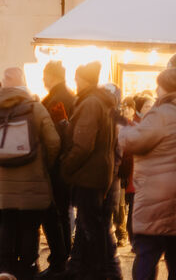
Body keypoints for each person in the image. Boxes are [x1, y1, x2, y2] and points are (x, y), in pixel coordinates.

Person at [0, 68, 60, 280]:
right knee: (30, 224)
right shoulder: (35, 108)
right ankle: (27, 266)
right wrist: (46, 164)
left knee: (8, 222)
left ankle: (6, 267)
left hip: (5, 181)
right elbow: (53, 141)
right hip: (33, 177)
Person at [60, 62, 122, 280]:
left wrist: (66, 166)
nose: (75, 83)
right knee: (92, 225)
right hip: (98, 173)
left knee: (91, 227)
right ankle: (85, 269)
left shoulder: (91, 103)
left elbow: (84, 144)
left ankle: (98, 272)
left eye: (76, 79)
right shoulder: (101, 103)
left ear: (83, 80)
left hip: (89, 175)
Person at [119, 68, 176, 280]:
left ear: (164, 87)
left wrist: (122, 131)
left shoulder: (161, 114)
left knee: (147, 253)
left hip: (157, 196)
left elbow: (135, 141)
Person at [40, 60, 75, 276]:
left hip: (56, 166)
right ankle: (62, 260)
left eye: (44, 76)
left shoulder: (57, 99)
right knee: (61, 214)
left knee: (55, 215)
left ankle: (59, 263)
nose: (43, 80)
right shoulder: (68, 96)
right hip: (64, 165)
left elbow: (54, 138)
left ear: (51, 76)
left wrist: (49, 162)